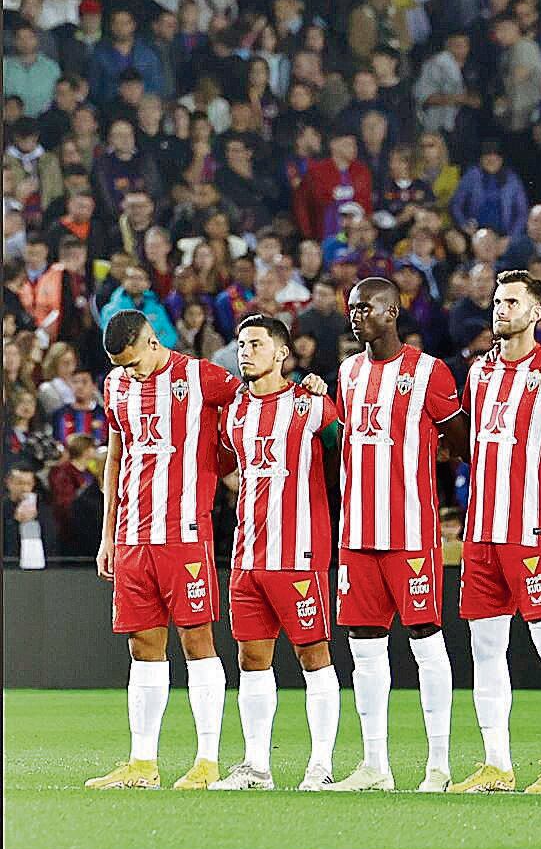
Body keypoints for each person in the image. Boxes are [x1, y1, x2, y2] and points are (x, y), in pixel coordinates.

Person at [84, 309, 243, 791]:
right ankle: (142, 764)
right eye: (121, 366)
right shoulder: (116, 386)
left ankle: (207, 761)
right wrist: (108, 534)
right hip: (132, 536)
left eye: (134, 363)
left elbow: (256, 407)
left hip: (184, 533)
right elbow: (115, 458)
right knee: (142, 646)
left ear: (153, 342)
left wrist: (224, 468)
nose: (128, 373)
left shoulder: (199, 376)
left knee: (197, 642)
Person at [326, 277, 469, 793]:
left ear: (393, 311)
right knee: (364, 644)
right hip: (357, 531)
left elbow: (460, 440)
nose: (356, 315)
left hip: (410, 530)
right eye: (351, 307)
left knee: (426, 640)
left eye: (366, 307)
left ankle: (439, 765)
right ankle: (374, 766)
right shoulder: (347, 371)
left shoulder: (428, 372)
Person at [449, 270, 541, 795]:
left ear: (536, 313)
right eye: (496, 300)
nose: (499, 308)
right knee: (485, 647)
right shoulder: (479, 372)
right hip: (482, 530)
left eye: (511, 302)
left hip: (531, 528)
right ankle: (497, 765)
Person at [208, 315, 341, 792]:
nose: (245, 352)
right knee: (250, 658)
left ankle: (320, 765)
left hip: (299, 553)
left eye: (256, 344)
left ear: (281, 353)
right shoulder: (236, 411)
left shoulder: (310, 406)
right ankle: (257, 768)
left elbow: (344, 453)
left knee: (314, 656)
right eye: (241, 343)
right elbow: (226, 464)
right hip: (247, 555)